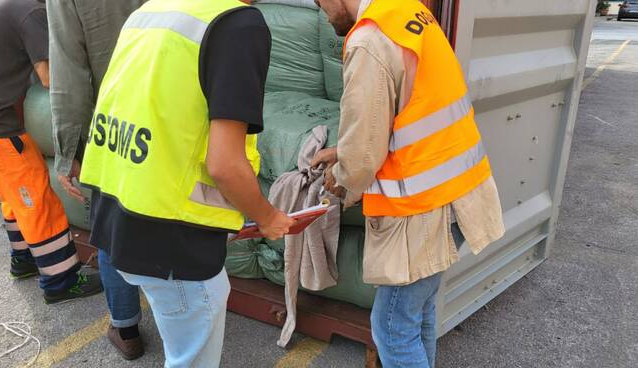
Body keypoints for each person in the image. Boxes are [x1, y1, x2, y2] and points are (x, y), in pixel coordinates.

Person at [79, 0, 295, 366]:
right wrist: (269, 216)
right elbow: (225, 164)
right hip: (173, 238)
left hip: (118, 208)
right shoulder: (240, 24)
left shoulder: (151, 10)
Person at [313, 1, 506, 367]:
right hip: (459, 195)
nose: (320, 9)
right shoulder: (406, 12)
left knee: (391, 328)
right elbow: (407, 109)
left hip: (420, 211)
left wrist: (339, 180)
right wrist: (343, 150)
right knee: (418, 314)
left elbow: (362, 161)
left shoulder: (369, 41)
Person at [0, 0, 103, 304]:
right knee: (37, 201)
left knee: (14, 198)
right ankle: (61, 280)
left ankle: (23, 260)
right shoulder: (30, 13)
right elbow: (50, 77)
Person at [46, 0, 148, 360]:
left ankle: (126, 328)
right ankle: (179, 320)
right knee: (169, 221)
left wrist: (67, 150)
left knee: (110, 228)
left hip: (114, 126)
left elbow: (69, 71)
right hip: (169, 114)